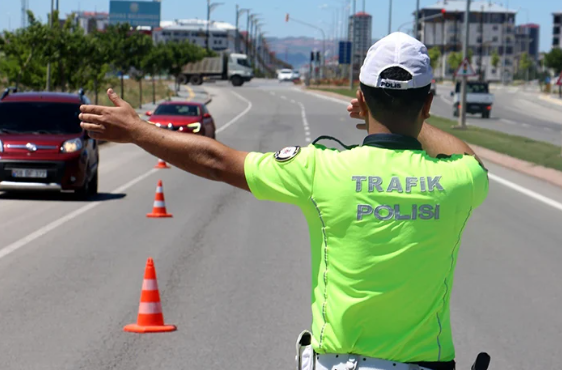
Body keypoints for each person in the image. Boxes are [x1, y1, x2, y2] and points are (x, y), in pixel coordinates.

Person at [79, 32, 489, 370]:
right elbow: (470, 158)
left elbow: (217, 161)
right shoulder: (457, 179)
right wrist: (416, 121)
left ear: (361, 98)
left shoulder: (322, 169)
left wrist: (138, 130)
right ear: (429, 104)